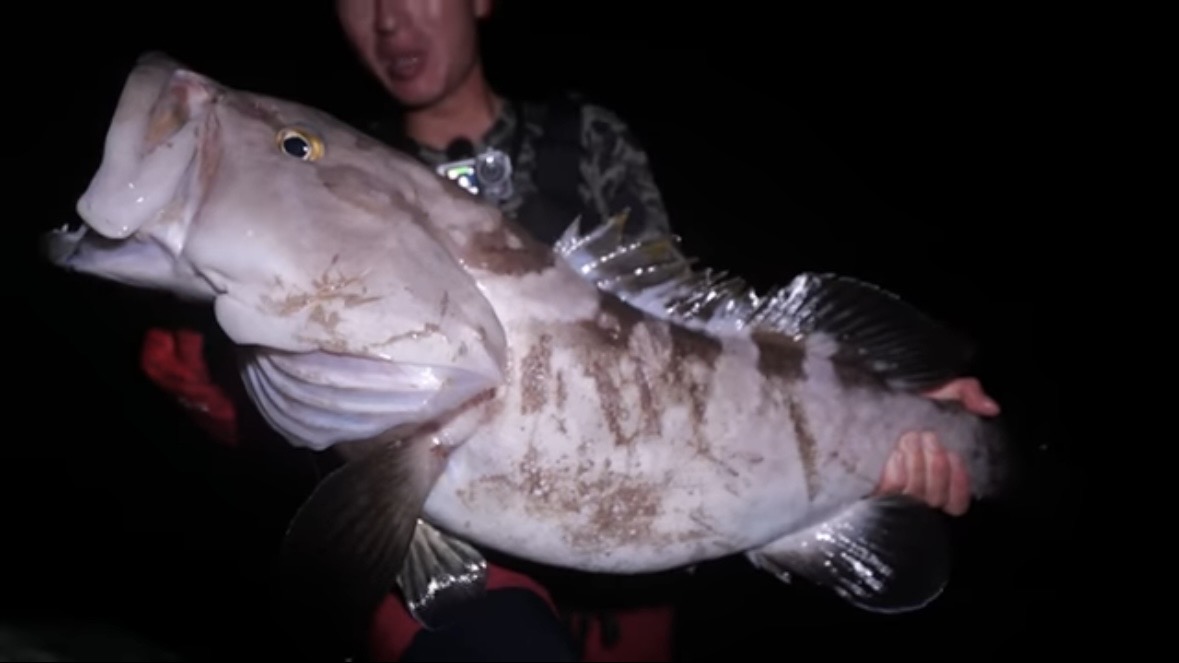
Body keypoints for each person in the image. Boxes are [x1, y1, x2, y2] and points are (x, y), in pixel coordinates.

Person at [140, 0, 1003, 660]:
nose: (390, 19)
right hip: (450, 579)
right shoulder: (331, 169)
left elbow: (693, 313)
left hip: (632, 589)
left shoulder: (583, 137)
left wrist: (903, 398)